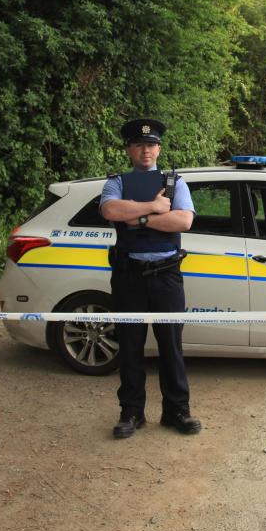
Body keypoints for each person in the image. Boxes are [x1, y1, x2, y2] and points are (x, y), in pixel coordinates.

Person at [99, 118, 201, 438]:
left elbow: (183, 221)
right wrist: (155, 208)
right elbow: (111, 212)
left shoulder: (175, 182)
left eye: (152, 144)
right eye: (140, 145)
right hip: (129, 276)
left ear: (159, 148)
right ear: (130, 149)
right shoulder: (116, 182)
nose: (147, 150)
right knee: (129, 348)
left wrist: (139, 218)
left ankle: (177, 412)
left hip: (166, 275)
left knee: (171, 346)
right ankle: (131, 413)